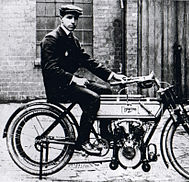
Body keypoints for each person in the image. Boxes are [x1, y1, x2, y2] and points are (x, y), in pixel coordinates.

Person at [40, 4, 126, 154]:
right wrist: (74, 79)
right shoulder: (51, 39)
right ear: (61, 19)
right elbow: (50, 69)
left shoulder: (73, 40)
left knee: (106, 91)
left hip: (71, 83)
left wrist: (112, 75)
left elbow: (88, 61)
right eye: (69, 17)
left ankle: (105, 135)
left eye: (76, 18)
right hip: (58, 87)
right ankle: (82, 141)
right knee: (92, 98)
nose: (73, 21)